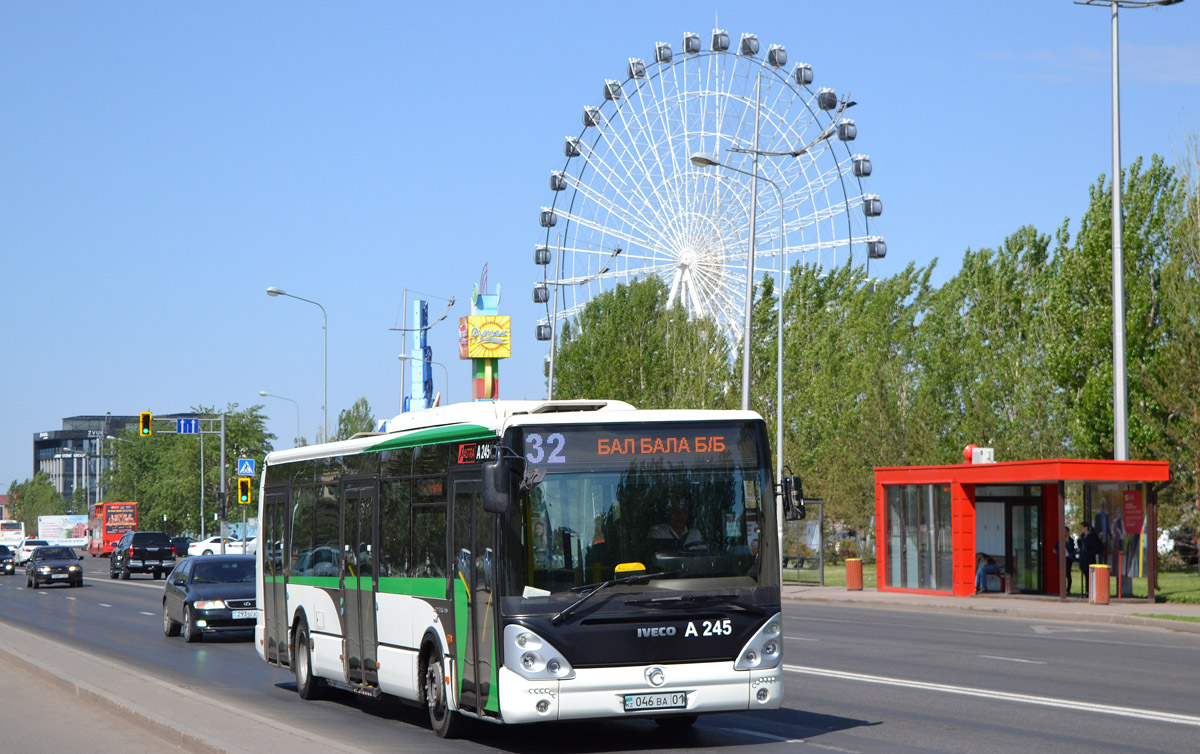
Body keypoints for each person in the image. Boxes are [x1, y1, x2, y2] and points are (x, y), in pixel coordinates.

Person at [1078, 522, 1102, 597]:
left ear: (1086, 528)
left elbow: (1092, 546)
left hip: (1089, 558)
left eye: (1082, 527)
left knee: (1090, 576)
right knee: (1086, 575)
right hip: (1083, 558)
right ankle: (1087, 591)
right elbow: (1080, 546)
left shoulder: (1091, 536)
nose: (1081, 529)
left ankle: (1090, 591)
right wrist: (1079, 539)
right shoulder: (1082, 536)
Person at [1053, 526, 1078, 595]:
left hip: (1068, 559)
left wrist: (1067, 540)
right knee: (1062, 574)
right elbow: (1054, 549)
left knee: (1068, 574)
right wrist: (1059, 552)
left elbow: (1071, 549)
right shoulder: (1060, 540)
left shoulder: (1070, 540)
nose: (1064, 533)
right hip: (1061, 558)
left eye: (1066, 531)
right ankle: (1062, 589)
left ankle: (1068, 589)